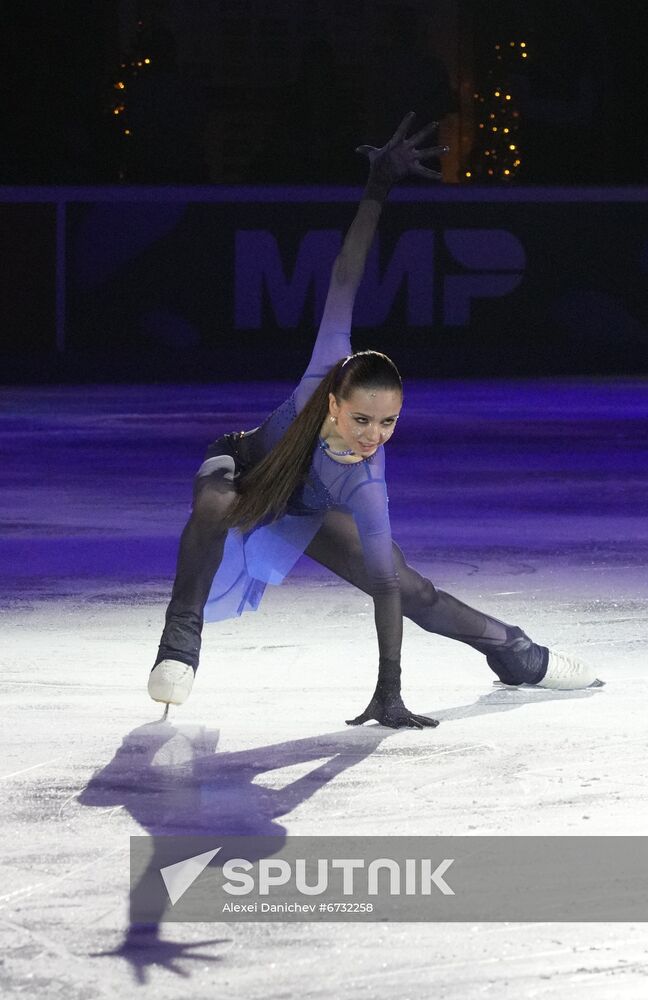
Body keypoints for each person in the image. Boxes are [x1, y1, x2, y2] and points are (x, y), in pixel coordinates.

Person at [148, 112, 602, 729]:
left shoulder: (367, 482)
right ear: (335, 402)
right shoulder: (324, 371)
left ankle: (517, 651)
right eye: (363, 419)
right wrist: (377, 189)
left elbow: (386, 589)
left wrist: (389, 690)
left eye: (388, 424)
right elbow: (346, 271)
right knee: (215, 507)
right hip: (245, 470)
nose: (374, 436)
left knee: (416, 591)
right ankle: (180, 641)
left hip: (307, 507)